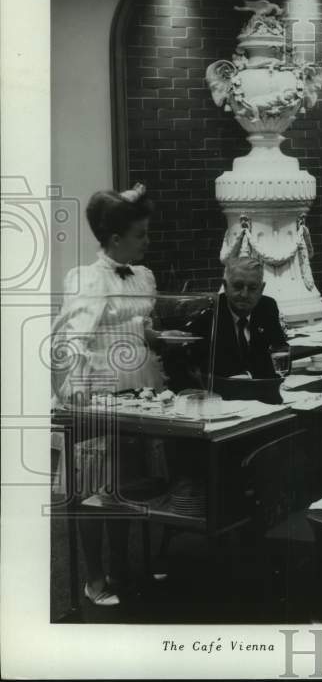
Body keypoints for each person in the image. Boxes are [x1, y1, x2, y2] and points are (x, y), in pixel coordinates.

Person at [51, 184, 164, 607]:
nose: (148, 242)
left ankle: (123, 566)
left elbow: (141, 328)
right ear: (115, 239)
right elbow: (71, 338)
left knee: (127, 486)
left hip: (140, 386)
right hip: (98, 389)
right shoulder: (87, 278)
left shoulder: (144, 277)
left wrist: (159, 336)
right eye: (141, 235)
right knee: (94, 489)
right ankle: (93, 578)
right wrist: (73, 390)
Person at [188, 255, 286, 379]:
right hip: (222, 394)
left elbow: (281, 355)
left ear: (261, 289)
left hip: (262, 391)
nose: (244, 294)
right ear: (225, 286)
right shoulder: (209, 313)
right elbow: (201, 368)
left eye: (252, 288)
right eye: (238, 286)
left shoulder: (267, 307)